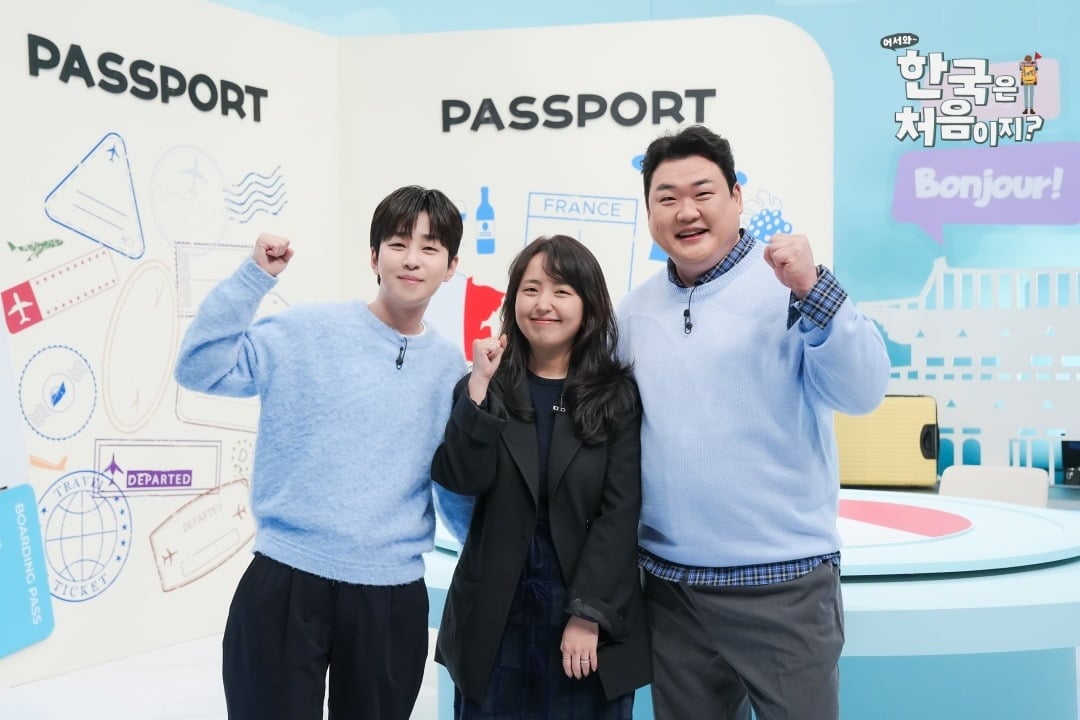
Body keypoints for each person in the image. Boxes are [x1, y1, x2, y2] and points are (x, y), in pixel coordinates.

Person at [616, 125, 890, 720]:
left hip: (783, 585)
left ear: (737, 197)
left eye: (703, 193)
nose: (686, 211)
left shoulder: (790, 287)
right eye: (666, 198)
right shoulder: (632, 313)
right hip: (671, 590)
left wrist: (814, 290)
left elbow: (864, 391)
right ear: (650, 212)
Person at [173, 185, 466, 720]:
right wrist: (252, 279)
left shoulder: (453, 370)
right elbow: (200, 367)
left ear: (450, 267)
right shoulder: (305, 331)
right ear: (374, 256)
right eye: (398, 244)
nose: (412, 259)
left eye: (430, 248)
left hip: (390, 593)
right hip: (287, 577)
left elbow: (453, 486)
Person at [431, 234, 652, 719]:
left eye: (561, 291)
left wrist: (587, 614)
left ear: (588, 305)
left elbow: (620, 514)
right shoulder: (484, 385)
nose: (543, 304)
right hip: (494, 615)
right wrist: (479, 387)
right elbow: (460, 478)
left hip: (583, 609)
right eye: (530, 290)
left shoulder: (616, 396)